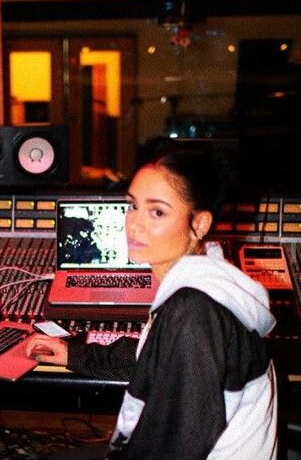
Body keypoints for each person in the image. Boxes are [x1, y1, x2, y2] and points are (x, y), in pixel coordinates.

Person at [26, 148, 277, 459]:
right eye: (132, 206)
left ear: (199, 224)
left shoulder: (194, 312)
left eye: (157, 212)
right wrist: (74, 353)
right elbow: (155, 357)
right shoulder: (207, 281)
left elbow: (178, 446)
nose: (134, 225)